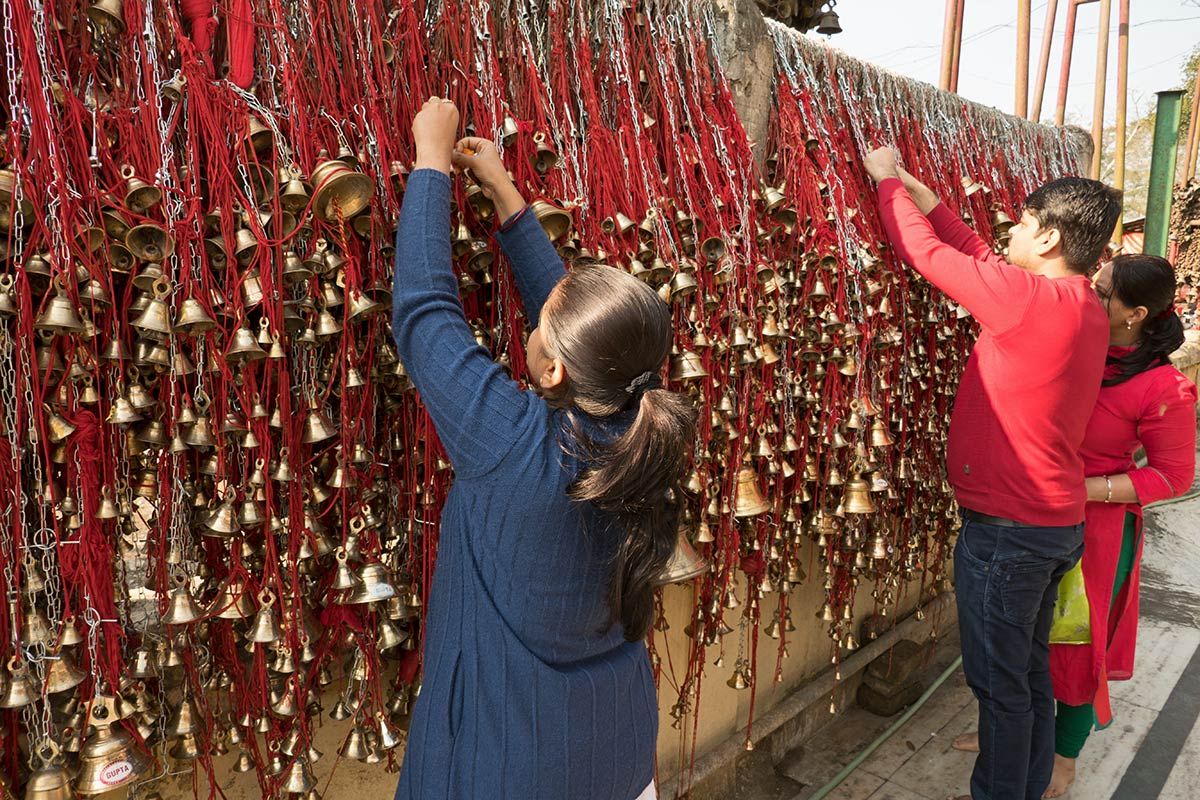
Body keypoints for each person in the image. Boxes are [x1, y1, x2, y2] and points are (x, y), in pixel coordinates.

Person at [391, 97, 695, 800]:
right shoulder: (645, 431)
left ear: (553, 368)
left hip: (509, 767)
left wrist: (430, 162)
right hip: (616, 755)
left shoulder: (513, 445)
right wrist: (504, 195)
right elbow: (578, 323)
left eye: (542, 327)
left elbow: (426, 315)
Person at [862, 147, 1122, 800]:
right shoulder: (1079, 302)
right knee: (1028, 679)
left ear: (1050, 235)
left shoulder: (1029, 301)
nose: (1008, 230)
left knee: (1001, 690)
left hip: (1008, 534)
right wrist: (930, 200)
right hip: (1051, 526)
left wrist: (886, 176)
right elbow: (981, 259)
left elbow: (928, 258)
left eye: (1021, 220)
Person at [953, 254, 1198, 798]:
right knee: (1020, 655)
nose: (1091, 294)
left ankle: (1061, 762)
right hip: (1033, 513)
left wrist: (1083, 488)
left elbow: (1174, 476)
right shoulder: (1078, 344)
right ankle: (1010, 743)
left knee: (1073, 654)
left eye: (1104, 292)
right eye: (1094, 282)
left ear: (1135, 314)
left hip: (1095, 531)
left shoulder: (1162, 388)